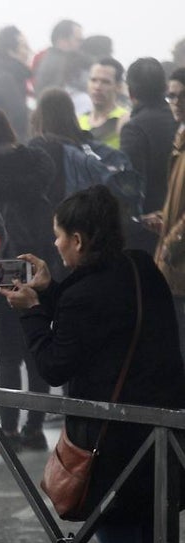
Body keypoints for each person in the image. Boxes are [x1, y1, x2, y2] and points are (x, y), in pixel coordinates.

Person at [0, 185, 185, 543]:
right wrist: (49, 291)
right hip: (160, 440)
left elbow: (55, 364)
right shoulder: (139, 268)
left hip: (113, 450)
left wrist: (31, 312)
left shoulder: (87, 295)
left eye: (60, 237)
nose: (56, 245)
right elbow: (100, 318)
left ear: (79, 239)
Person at [0, 106, 57, 451]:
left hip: (2, 267)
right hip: (38, 263)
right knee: (37, 348)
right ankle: (35, 428)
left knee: (8, 355)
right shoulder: (35, 163)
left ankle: (7, 431)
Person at [121, 58, 178, 254]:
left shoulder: (134, 128)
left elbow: (131, 183)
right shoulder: (177, 119)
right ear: (164, 87)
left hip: (150, 225)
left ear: (130, 92)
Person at [151, 68, 185, 358]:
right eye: (171, 96)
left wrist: (171, 242)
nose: (175, 102)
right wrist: (164, 218)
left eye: (181, 96)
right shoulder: (180, 139)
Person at [0, 26, 33, 143]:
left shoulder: (8, 76)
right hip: (12, 146)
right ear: (10, 51)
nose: (29, 51)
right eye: (24, 47)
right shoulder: (5, 79)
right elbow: (20, 117)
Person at [79, 58, 129, 148]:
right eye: (93, 80)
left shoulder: (125, 120)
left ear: (118, 86)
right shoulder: (78, 121)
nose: (97, 87)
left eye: (105, 82)